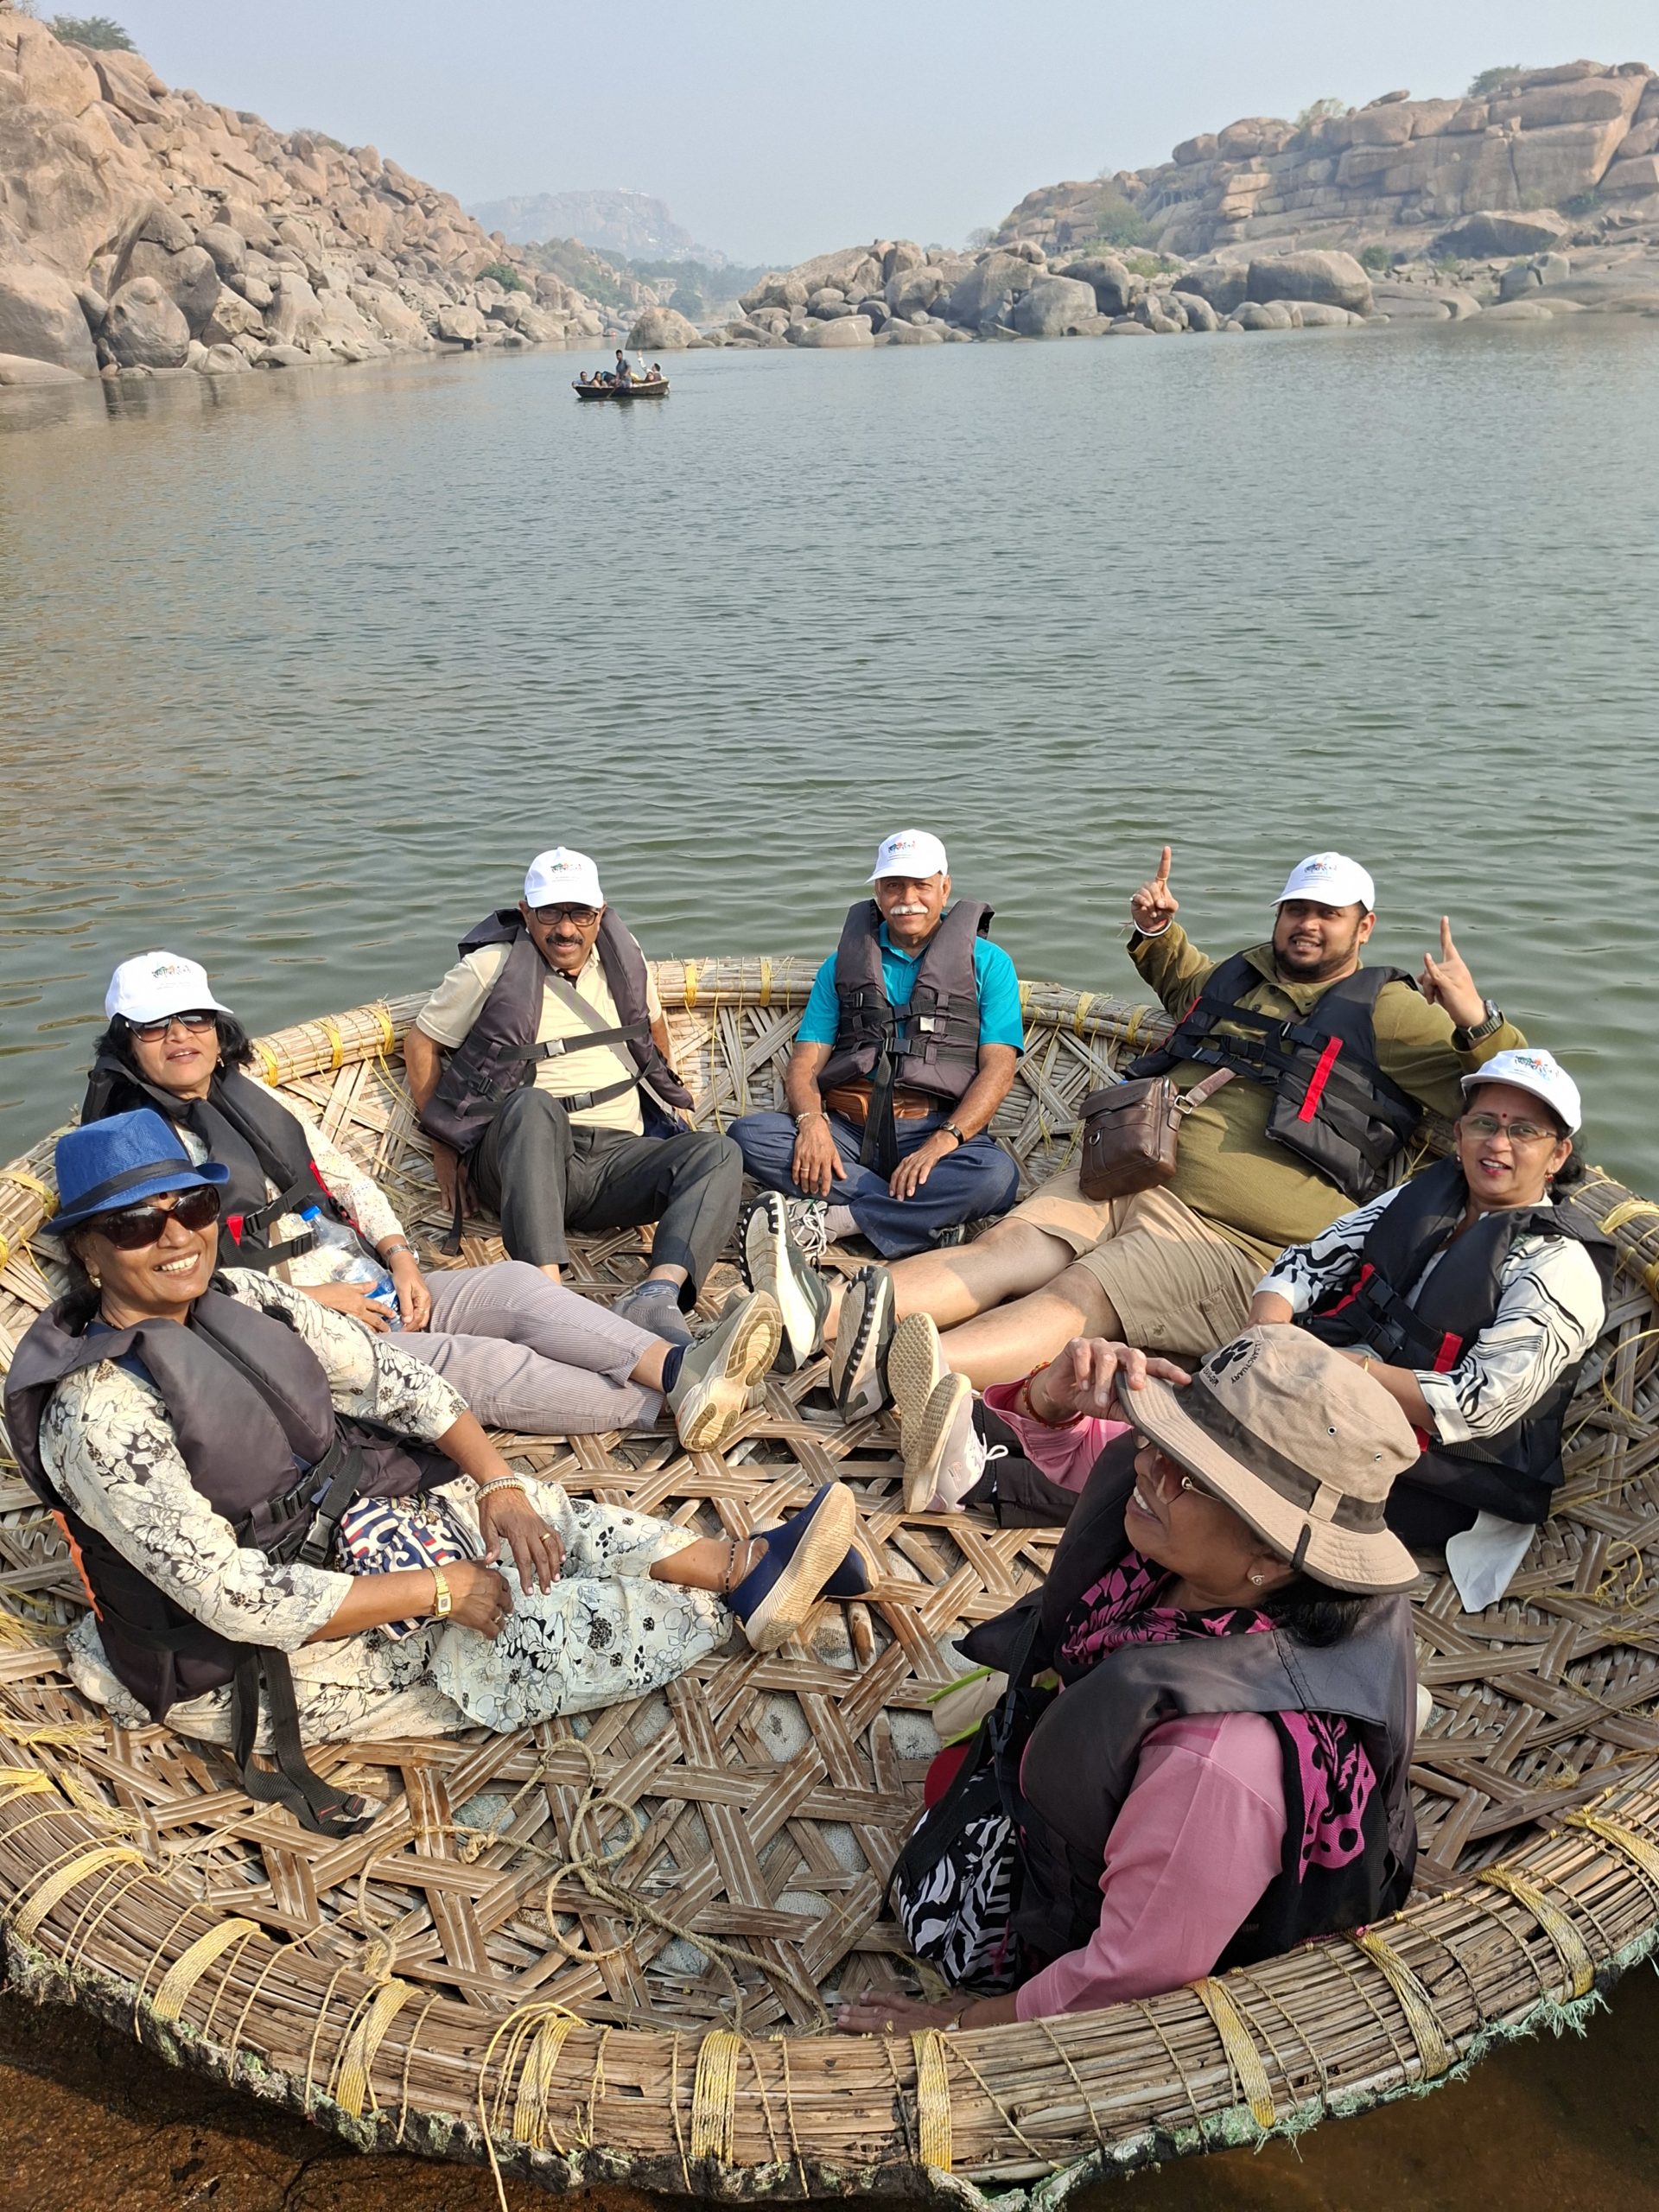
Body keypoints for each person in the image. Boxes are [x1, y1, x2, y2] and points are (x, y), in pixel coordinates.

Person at [4, 1110, 869, 1836]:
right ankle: (726, 1611)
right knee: (523, 1636)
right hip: (251, 1653)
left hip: (347, 1524)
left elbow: (395, 1379)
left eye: (191, 1206)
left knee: (543, 1516)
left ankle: (740, 1566)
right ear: (88, 1252)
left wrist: (496, 1485)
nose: (174, 1237)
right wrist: (439, 1590)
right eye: (134, 1223)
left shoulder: (245, 1297)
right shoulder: (99, 1414)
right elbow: (236, 1598)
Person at [835, 1328, 1421, 2033]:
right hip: (1122, 1803)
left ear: (1271, 1556)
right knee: (952, 1779)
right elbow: (1081, 1460)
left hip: (1108, 1937)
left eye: (1191, 1475)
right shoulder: (1207, 1550)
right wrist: (1049, 1405)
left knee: (933, 1884)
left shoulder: (1217, 1763)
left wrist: (959, 2025)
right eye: (1161, 1438)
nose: (1148, 1465)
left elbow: (1130, 1975)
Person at [868, 847, 1527, 1395]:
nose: (1307, 925)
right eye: (1296, 910)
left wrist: (1476, 1019)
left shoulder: (1392, 1012)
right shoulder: (1244, 977)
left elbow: (1517, 1095)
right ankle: (826, 1318)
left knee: (1076, 1295)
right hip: (1128, 1171)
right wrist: (1156, 933)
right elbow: (1185, 984)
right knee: (1002, 1251)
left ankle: (891, 1372)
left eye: (1329, 914)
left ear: (1365, 927)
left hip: (1233, 1236)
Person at [81, 952, 777, 1454]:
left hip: (373, 1285)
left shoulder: (245, 1093)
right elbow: (174, 1286)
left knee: (516, 1286)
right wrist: (315, 1303)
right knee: (479, 1361)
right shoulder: (131, 1149)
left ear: (218, 1028)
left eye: (194, 1019)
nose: (181, 1037)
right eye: (155, 1028)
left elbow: (347, 1180)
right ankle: (669, 1404)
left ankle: (682, 1370)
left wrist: (401, 1258)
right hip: (290, 1334)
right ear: (125, 1043)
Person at [1251, 1047, 1611, 1607]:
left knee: (1252, 1488)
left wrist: (1342, 1370)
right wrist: (1268, 1333)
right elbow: (1309, 1262)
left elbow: (1477, 1405)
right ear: (1460, 1132)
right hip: (1335, 1402)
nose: (1497, 1144)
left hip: (1446, 1476)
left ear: (1557, 1154)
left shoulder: (1558, 1266)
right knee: (1215, 1420)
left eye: (1523, 1131)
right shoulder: (1424, 1198)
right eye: (1484, 1123)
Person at [730, 830, 1022, 1414]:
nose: (906, 898)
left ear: (945, 889)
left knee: (995, 1176)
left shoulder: (988, 964)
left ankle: (837, 1219)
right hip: (846, 1133)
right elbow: (806, 1062)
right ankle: (918, 1221)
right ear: (877, 893)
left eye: (920, 886)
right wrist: (811, 1121)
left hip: (932, 1133)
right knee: (748, 1136)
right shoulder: (842, 965)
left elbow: (998, 1067)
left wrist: (946, 1140)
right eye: (892, 886)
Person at [404, 848, 743, 1347]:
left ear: (599, 913)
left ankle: (657, 1294)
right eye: (550, 913)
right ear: (526, 912)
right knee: (534, 1105)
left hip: (616, 1161)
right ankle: (548, 1300)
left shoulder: (625, 961)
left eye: (580, 913)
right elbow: (421, 1043)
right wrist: (444, 1149)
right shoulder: (489, 967)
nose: (566, 929)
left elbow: (652, 1030)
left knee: (719, 1152)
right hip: (526, 1161)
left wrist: (667, 1103)